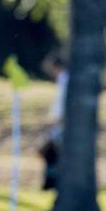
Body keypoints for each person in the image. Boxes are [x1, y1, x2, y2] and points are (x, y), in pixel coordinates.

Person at [40, 54, 68, 190]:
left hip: (61, 123)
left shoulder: (65, 79)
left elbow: (61, 104)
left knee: (53, 154)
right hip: (60, 122)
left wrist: (54, 119)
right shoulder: (64, 79)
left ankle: (51, 183)